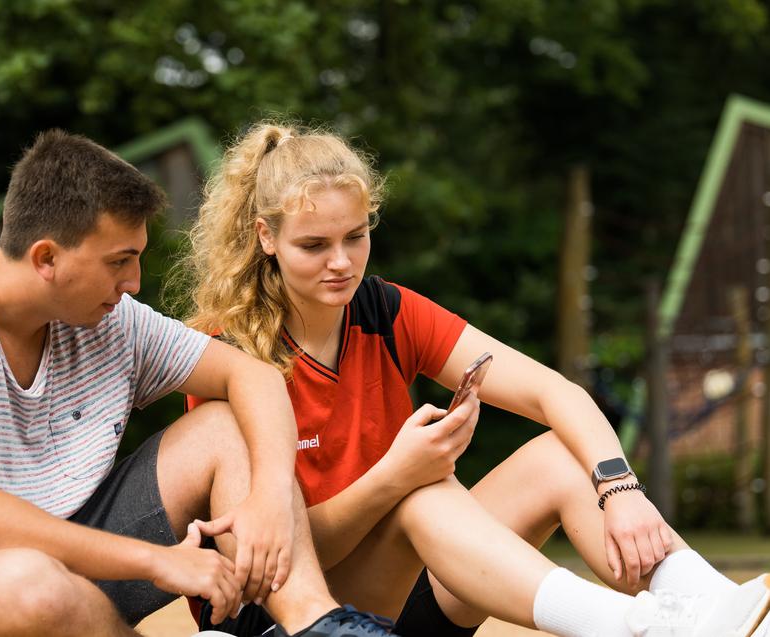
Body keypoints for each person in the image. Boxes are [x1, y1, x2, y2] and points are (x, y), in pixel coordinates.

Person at [172, 121, 770, 637]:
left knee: (563, 457)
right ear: (265, 237)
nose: (342, 262)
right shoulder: (229, 354)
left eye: (356, 236)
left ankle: (703, 603)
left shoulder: (385, 310)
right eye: (314, 245)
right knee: (419, 496)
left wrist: (621, 489)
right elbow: (270, 561)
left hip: (398, 596)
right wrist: (393, 478)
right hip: (290, 616)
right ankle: (626, 624)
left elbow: (554, 392)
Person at [0, 130, 399, 637]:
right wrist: (158, 562)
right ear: (47, 258)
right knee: (30, 582)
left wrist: (271, 493)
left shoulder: (108, 320)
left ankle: (317, 626)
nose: (134, 282)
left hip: (65, 559)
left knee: (224, 426)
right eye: (119, 261)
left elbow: (251, 375)